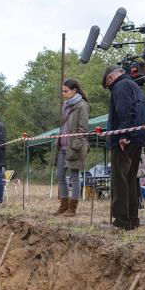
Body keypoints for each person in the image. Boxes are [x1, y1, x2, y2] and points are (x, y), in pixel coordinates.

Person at [101, 65, 145, 230]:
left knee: (119, 180)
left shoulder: (120, 86)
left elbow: (125, 110)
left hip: (124, 139)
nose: (110, 89)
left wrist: (123, 135)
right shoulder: (135, 86)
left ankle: (121, 221)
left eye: (108, 85)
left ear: (110, 79)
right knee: (130, 180)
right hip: (139, 137)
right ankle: (132, 219)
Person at [53, 79, 90, 217]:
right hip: (61, 147)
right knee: (60, 176)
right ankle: (63, 206)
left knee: (74, 177)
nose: (63, 94)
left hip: (74, 147)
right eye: (62, 91)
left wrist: (75, 146)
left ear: (74, 90)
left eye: (66, 91)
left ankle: (72, 209)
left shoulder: (82, 106)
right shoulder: (65, 106)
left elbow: (82, 129)